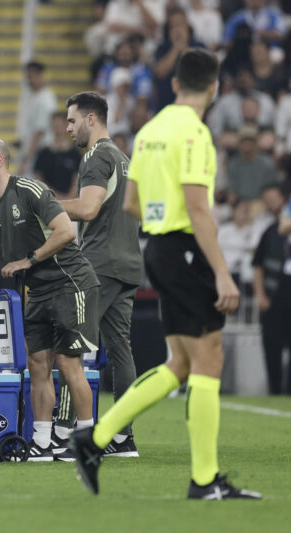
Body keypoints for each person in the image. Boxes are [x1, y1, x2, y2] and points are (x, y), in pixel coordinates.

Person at [70, 49, 262, 500]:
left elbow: (133, 203)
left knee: (180, 364)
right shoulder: (195, 134)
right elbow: (197, 207)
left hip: (156, 246)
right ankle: (204, 479)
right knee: (209, 359)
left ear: (175, 84)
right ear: (214, 88)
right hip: (186, 249)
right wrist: (222, 273)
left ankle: (95, 440)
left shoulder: (150, 130)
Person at [0, 138, 99, 462]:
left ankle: (85, 440)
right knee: (38, 366)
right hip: (37, 293)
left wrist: (30, 259)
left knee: (69, 364)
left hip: (71, 283)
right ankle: (42, 440)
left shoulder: (30, 190)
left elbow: (66, 231)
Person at [57, 91, 142, 460]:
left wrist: (41, 205)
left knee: (69, 343)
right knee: (120, 350)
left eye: (73, 120)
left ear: (92, 120)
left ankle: (62, 432)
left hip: (99, 264)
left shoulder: (96, 156)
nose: (68, 128)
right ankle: (123, 437)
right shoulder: (123, 158)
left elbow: (88, 209)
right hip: (127, 263)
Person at [251, 184, 291, 395]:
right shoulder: (270, 231)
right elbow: (257, 265)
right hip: (276, 292)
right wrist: (260, 295)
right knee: (272, 345)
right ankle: (274, 390)